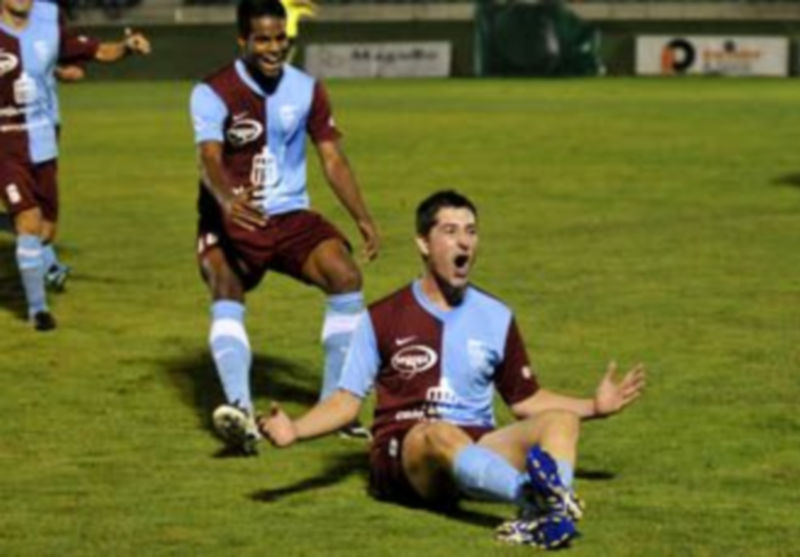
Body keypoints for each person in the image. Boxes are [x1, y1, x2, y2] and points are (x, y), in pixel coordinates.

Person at [260, 190, 646, 549]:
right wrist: (295, 429)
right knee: (437, 433)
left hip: (474, 448)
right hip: (406, 452)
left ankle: (550, 513)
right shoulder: (381, 317)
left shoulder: (496, 316)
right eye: (450, 231)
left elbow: (527, 400)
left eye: (471, 232)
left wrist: (594, 407)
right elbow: (345, 403)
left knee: (561, 422)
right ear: (424, 244)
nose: (465, 242)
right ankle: (533, 500)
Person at [189, 0, 379, 454]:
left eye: (280, 38)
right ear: (243, 41)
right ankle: (240, 412)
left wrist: (362, 215)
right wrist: (227, 199)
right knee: (224, 283)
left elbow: (332, 157)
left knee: (345, 276)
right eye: (263, 40)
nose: (274, 48)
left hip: (291, 215)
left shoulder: (308, 89)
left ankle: (335, 406)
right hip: (232, 215)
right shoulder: (212, 91)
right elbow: (209, 158)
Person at [0, 0, 151, 330]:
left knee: (45, 231)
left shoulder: (48, 19)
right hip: (5, 142)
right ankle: (38, 310)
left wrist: (126, 47)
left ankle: (37, 251)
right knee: (27, 220)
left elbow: (97, 51)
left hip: (43, 136)